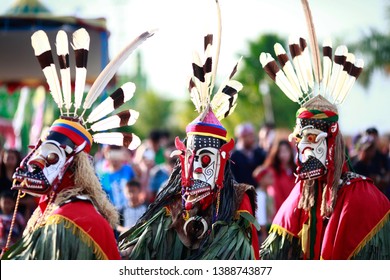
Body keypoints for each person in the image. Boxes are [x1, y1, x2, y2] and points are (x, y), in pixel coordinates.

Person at [118, 2, 259, 259]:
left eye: (205, 159)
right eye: (190, 160)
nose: (195, 168)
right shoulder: (171, 203)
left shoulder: (238, 201)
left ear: (221, 160)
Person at [0, 28, 154, 259]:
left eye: (52, 157)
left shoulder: (70, 218)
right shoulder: (51, 212)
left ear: (74, 165)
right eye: (40, 154)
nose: (36, 164)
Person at [259, 0, 389, 260]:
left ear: (331, 142)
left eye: (311, 138)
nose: (304, 148)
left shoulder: (361, 197)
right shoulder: (301, 193)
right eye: (300, 139)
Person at [254, 139, 296, 215]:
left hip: (295, 209)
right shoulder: (272, 170)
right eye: (280, 152)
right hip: (280, 211)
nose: (283, 154)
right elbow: (257, 174)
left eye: (286, 151)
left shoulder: (295, 170)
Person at [230, 122, 266, 187]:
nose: (252, 138)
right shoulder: (234, 156)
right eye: (249, 136)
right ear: (242, 137)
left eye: (252, 135)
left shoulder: (258, 153)